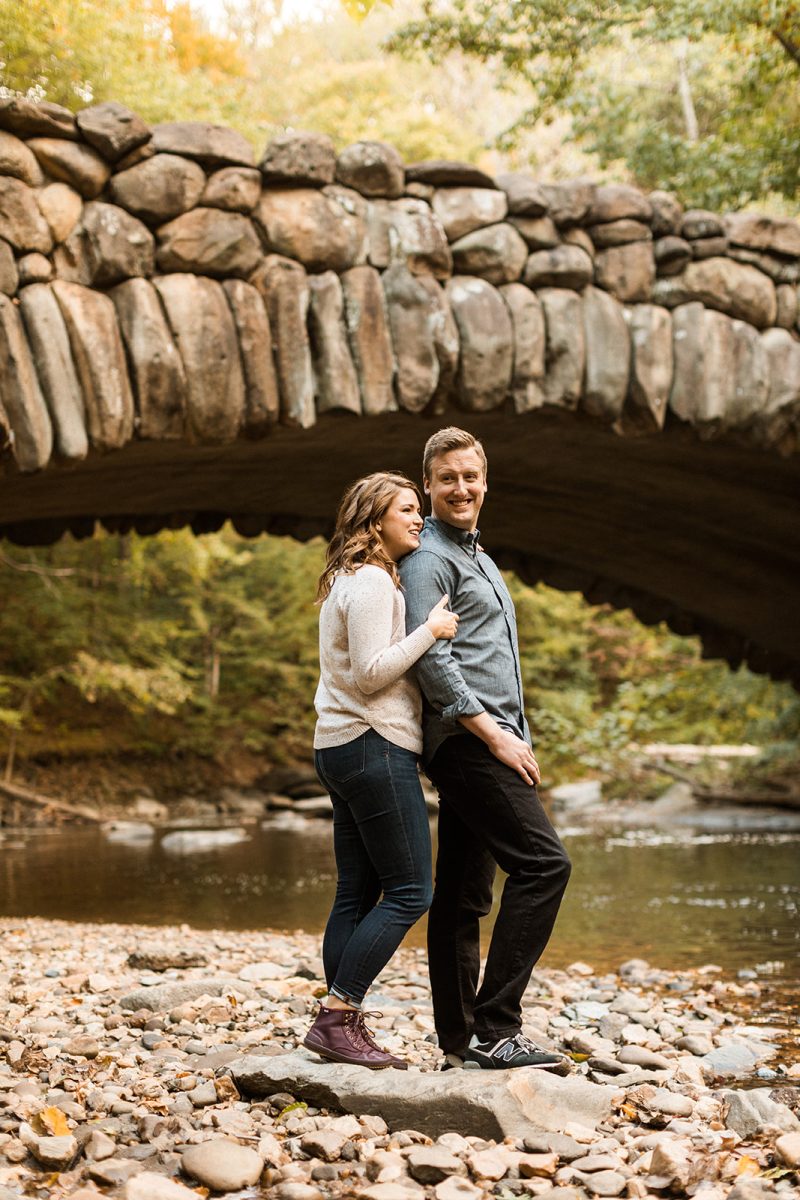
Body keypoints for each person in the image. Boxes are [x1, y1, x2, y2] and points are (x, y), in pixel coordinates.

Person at [399, 427, 572, 1071]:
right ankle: (498, 1027)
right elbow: (433, 662)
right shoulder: (429, 559)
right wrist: (497, 735)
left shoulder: (479, 556)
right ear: (429, 485)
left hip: (492, 738)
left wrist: (516, 731)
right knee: (544, 866)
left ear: (485, 480)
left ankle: (458, 1037)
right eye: (448, 478)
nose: (461, 488)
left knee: (464, 895)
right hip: (469, 742)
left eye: (471, 476)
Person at [303, 471, 459, 1070]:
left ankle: (339, 1024)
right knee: (412, 890)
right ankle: (338, 1015)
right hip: (373, 747)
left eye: (418, 510)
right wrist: (432, 629)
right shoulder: (371, 582)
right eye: (407, 509)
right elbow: (372, 673)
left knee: (355, 891)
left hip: (340, 747)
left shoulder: (351, 578)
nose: (418, 519)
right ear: (375, 519)